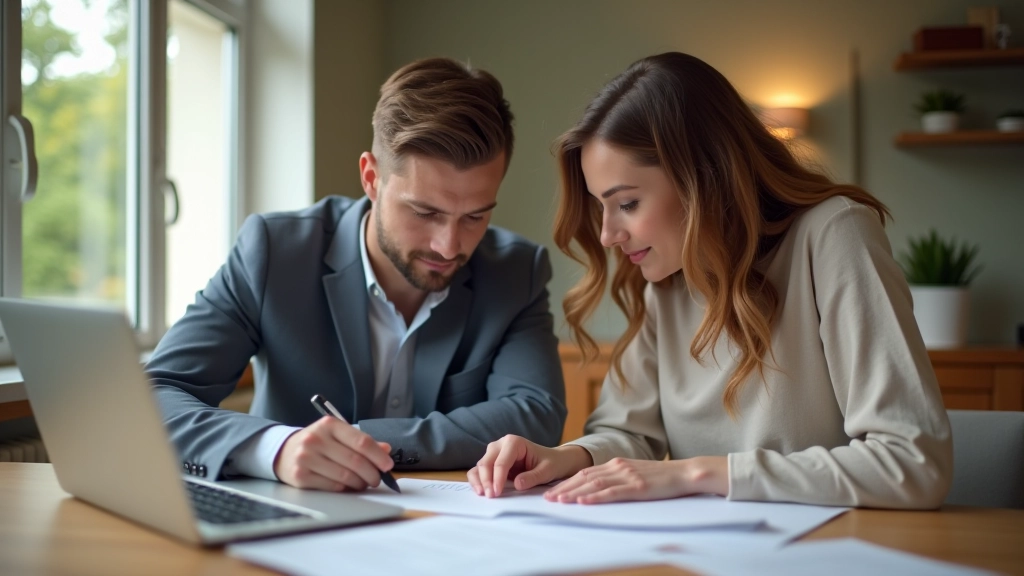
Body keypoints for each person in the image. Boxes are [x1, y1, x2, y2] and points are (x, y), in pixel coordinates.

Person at [468, 52, 952, 509]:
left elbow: (912, 461)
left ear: (703, 176)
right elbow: (630, 430)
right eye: (601, 206)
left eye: (628, 203)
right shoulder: (667, 275)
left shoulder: (834, 234)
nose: (608, 235)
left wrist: (697, 474)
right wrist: (567, 456)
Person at [147, 58, 566, 492]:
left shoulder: (517, 271)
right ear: (371, 178)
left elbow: (535, 412)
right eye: (425, 212)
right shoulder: (274, 252)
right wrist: (278, 447)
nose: (449, 245)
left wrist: (361, 442)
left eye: (476, 216)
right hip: (290, 521)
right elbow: (155, 393)